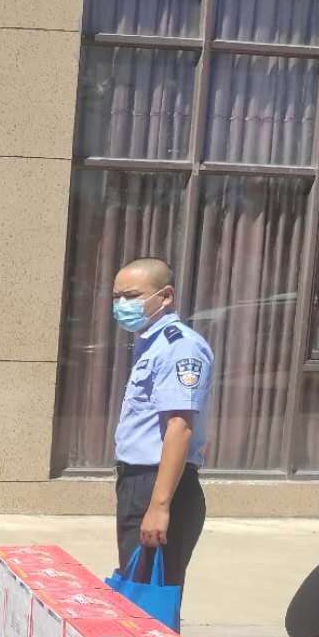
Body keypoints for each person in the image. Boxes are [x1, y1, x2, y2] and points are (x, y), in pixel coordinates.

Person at [110, 257, 213, 612]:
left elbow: (179, 427)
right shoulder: (150, 344)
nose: (122, 305)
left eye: (132, 296)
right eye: (117, 297)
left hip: (159, 484)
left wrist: (159, 507)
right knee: (137, 592)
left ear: (166, 296)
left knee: (152, 602)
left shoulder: (180, 347)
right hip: (138, 481)